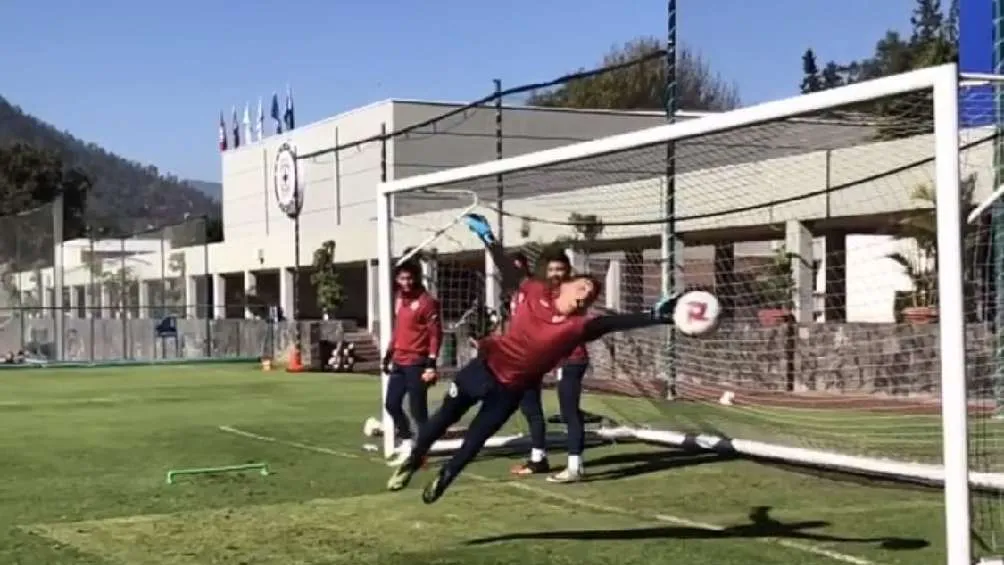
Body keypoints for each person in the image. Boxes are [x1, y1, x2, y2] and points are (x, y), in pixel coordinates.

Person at [386, 215, 684, 504]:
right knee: (443, 416)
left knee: (476, 438)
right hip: (484, 368)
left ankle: (446, 475)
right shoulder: (535, 289)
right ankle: (414, 458)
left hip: (510, 390)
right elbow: (508, 268)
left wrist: (654, 316)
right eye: (583, 287)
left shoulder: (577, 326)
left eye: (591, 295)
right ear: (566, 284)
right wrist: (487, 237)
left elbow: (613, 324)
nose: (585, 295)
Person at [507, 249, 576, 478]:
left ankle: (543, 459)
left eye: (519, 267)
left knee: (535, 407)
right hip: (519, 354)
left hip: (534, 355)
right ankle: (539, 456)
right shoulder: (518, 292)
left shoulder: (539, 289)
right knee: (528, 407)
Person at [381, 260, 443, 466]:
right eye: (402, 278)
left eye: (409, 278)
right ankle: (407, 442)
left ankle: (421, 452)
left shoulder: (426, 302)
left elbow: (435, 335)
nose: (406, 282)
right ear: (397, 279)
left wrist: (431, 363)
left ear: (416, 278)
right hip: (399, 360)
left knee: (418, 410)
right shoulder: (399, 298)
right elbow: (399, 329)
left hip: (417, 362)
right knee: (391, 404)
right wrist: (389, 353)